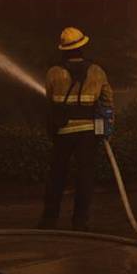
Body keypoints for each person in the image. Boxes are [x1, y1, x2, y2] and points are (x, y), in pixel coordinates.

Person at [38, 26, 113, 231]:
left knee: (56, 176)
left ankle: (49, 220)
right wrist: (107, 126)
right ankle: (80, 222)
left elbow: (50, 101)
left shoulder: (54, 72)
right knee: (85, 177)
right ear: (82, 47)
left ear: (64, 49)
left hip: (62, 132)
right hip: (89, 134)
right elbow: (107, 101)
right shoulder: (96, 71)